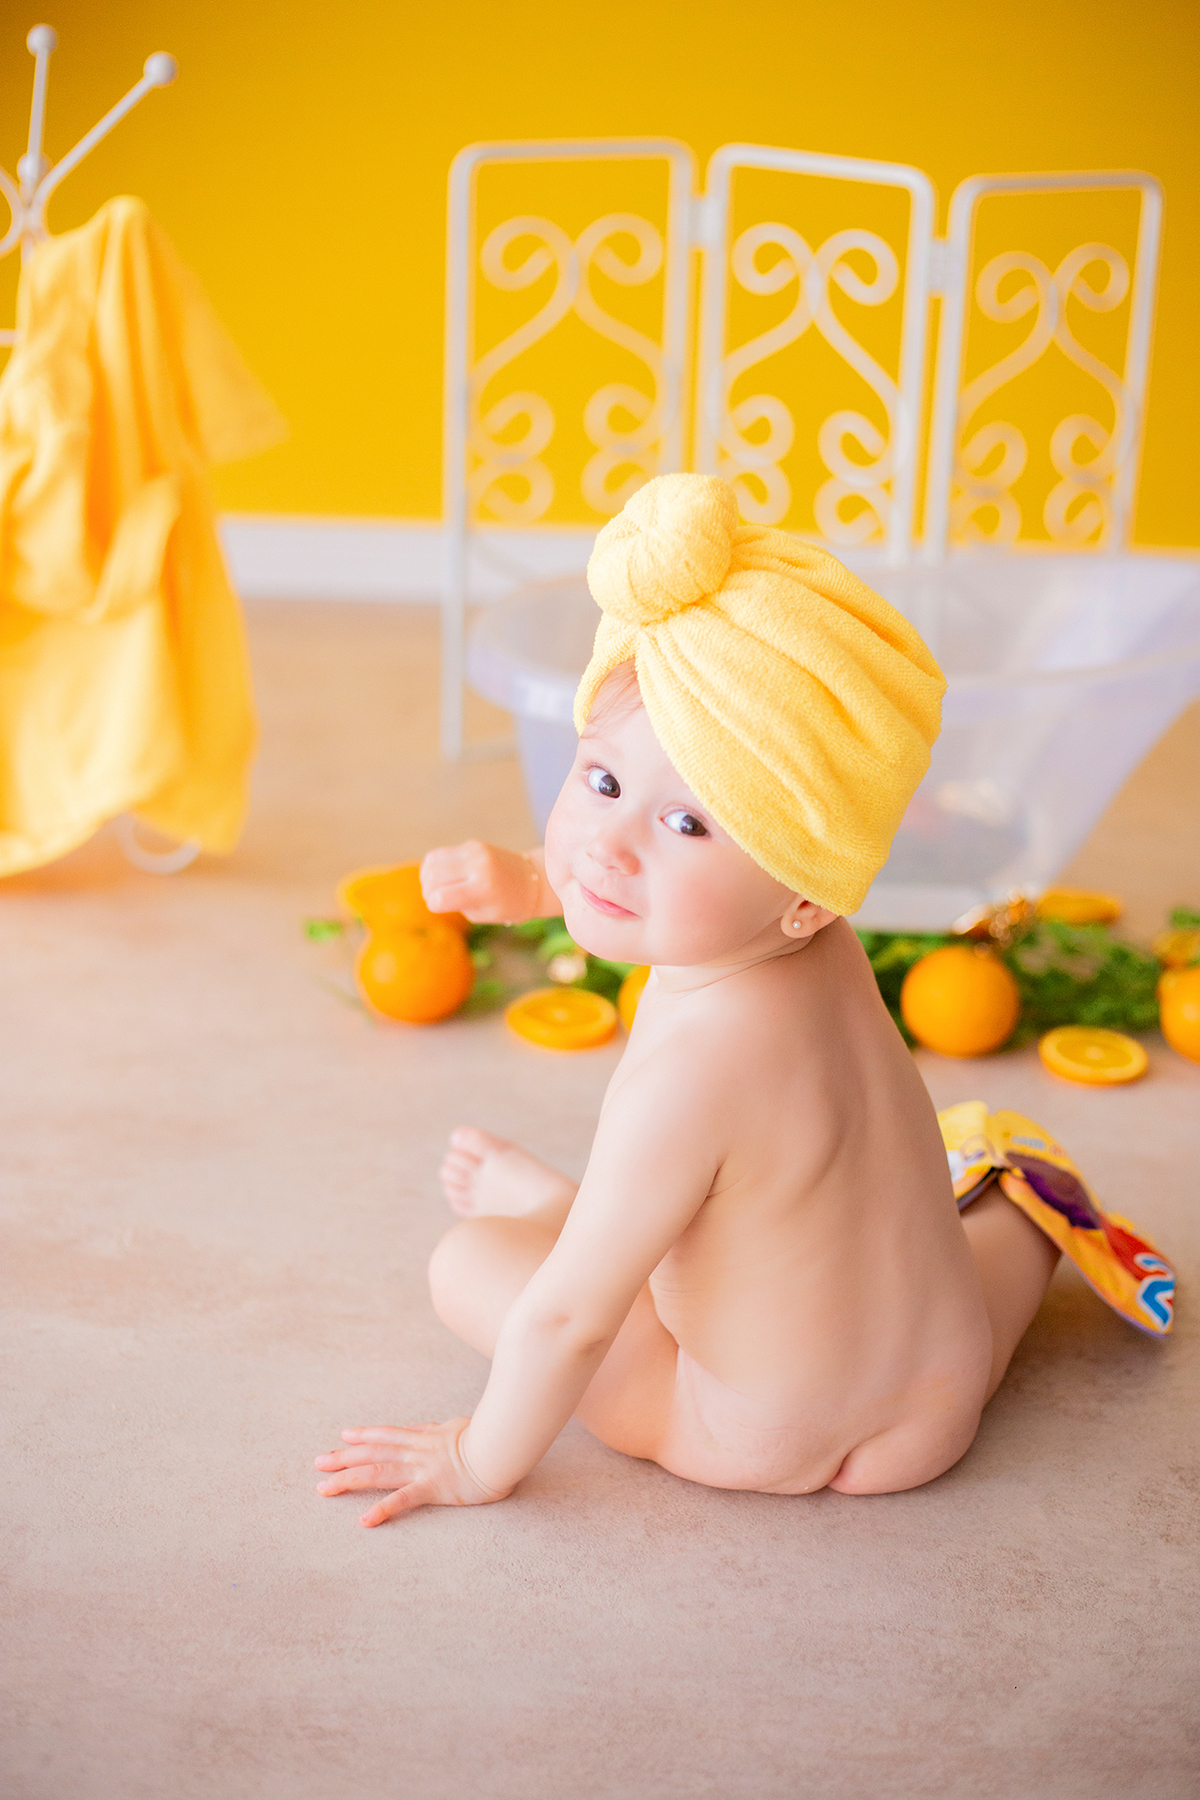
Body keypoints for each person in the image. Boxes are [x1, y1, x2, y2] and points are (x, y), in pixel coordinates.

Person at [315, 474, 1172, 1527]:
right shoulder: (815, 926)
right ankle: (1035, 1216)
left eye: (687, 826)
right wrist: (535, 883)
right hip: (938, 1406)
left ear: (802, 891)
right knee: (983, 1202)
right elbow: (670, 897)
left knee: (476, 1264)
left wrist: (475, 1458)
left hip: (748, 1431)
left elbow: (574, 1320)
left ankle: (557, 1213)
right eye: (601, 781)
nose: (612, 843)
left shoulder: (691, 1074)